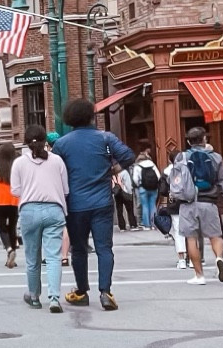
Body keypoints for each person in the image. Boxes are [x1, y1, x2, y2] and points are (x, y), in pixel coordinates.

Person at [51, 97, 134, 312]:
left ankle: (81, 291)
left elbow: (55, 171)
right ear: (91, 116)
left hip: (75, 204)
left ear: (69, 119)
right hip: (102, 201)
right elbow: (128, 156)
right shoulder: (105, 138)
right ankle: (105, 292)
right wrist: (113, 169)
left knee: (79, 250)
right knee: (104, 248)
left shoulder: (61, 144)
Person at [9, 127, 69, 312]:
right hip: (54, 209)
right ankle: (54, 298)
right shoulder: (57, 161)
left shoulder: (19, 163)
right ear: (46, 141)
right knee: (53, 257)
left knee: (32, 258)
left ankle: (34, 296)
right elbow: (66, 189)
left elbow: (15, 191)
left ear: (26, 142)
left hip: (29, 210)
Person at [167, 125, 223, 285]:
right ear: (205, 139)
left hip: (188, 203)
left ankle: (199, 275)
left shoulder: (181, 158)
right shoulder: (216, 157)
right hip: (209, 202)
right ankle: (219, 259)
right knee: (215, 236)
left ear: (189, 141)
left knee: (191, 239)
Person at [134, 149, 162, 234]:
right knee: (152, 205)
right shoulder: (152, 164)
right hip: (153, 188)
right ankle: (154, 224)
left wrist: (139, 184)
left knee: (145, 206)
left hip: (143, 188)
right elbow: (158, 176)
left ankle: (147, 225)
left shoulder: (137, 166)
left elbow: (135, 179)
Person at [112, 161, 138, 231]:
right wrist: (130, 192)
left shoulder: (113, 174)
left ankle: (122, 227)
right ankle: (132, 224)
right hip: (125, 192)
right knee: (129, 210)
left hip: (117, 194)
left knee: (119, 211)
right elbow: (128, 183)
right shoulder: (124, 173)